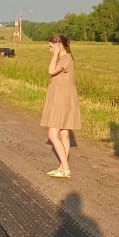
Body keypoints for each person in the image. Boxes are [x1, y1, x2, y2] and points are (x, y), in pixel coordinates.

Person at [40, 34, 81, 178]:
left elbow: (51, 71)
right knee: (64, 133)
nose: (49, 49)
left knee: (52, 133)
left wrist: (56, 53)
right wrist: (56, 53)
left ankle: (65, 168)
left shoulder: (65, 58)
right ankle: (62, 167)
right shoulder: (66, 58)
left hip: (61, 100)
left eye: (51, 46)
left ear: (58, 45)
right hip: (64, 98)